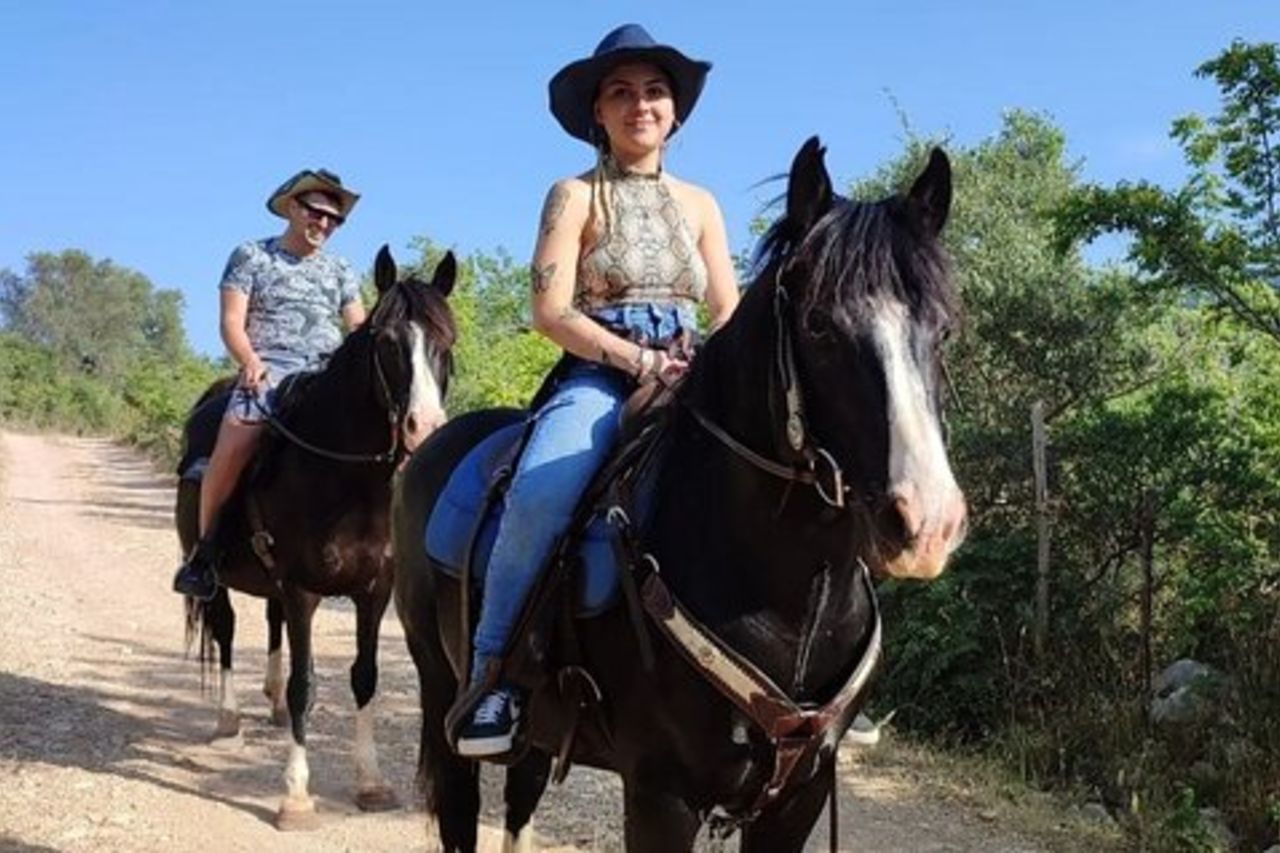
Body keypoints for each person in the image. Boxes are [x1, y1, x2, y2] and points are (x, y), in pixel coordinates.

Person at [453, 23, 740, 758]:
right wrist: (636, 362)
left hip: (692, 368)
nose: (639, 103)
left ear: (675, 111)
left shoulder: (703, 203)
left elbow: (728, 310)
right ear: (598, 115)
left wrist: (717, 367)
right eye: (620, 92)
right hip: (600, 370)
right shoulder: (573, 194)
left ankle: (809, 680)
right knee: (544, 491)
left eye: (654, 91)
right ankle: (496, 675)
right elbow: (550, 311)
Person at [172, 168, 366, 600]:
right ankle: (204, 555)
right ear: (294, 208)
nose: (325, 225)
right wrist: (249, 361)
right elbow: (231, 322)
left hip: (325, 375)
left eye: (335, 219)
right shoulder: (252, 256)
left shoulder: (341, 270)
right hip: (269, 369)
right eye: (317, 213)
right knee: (236, 439)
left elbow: (357, 327)